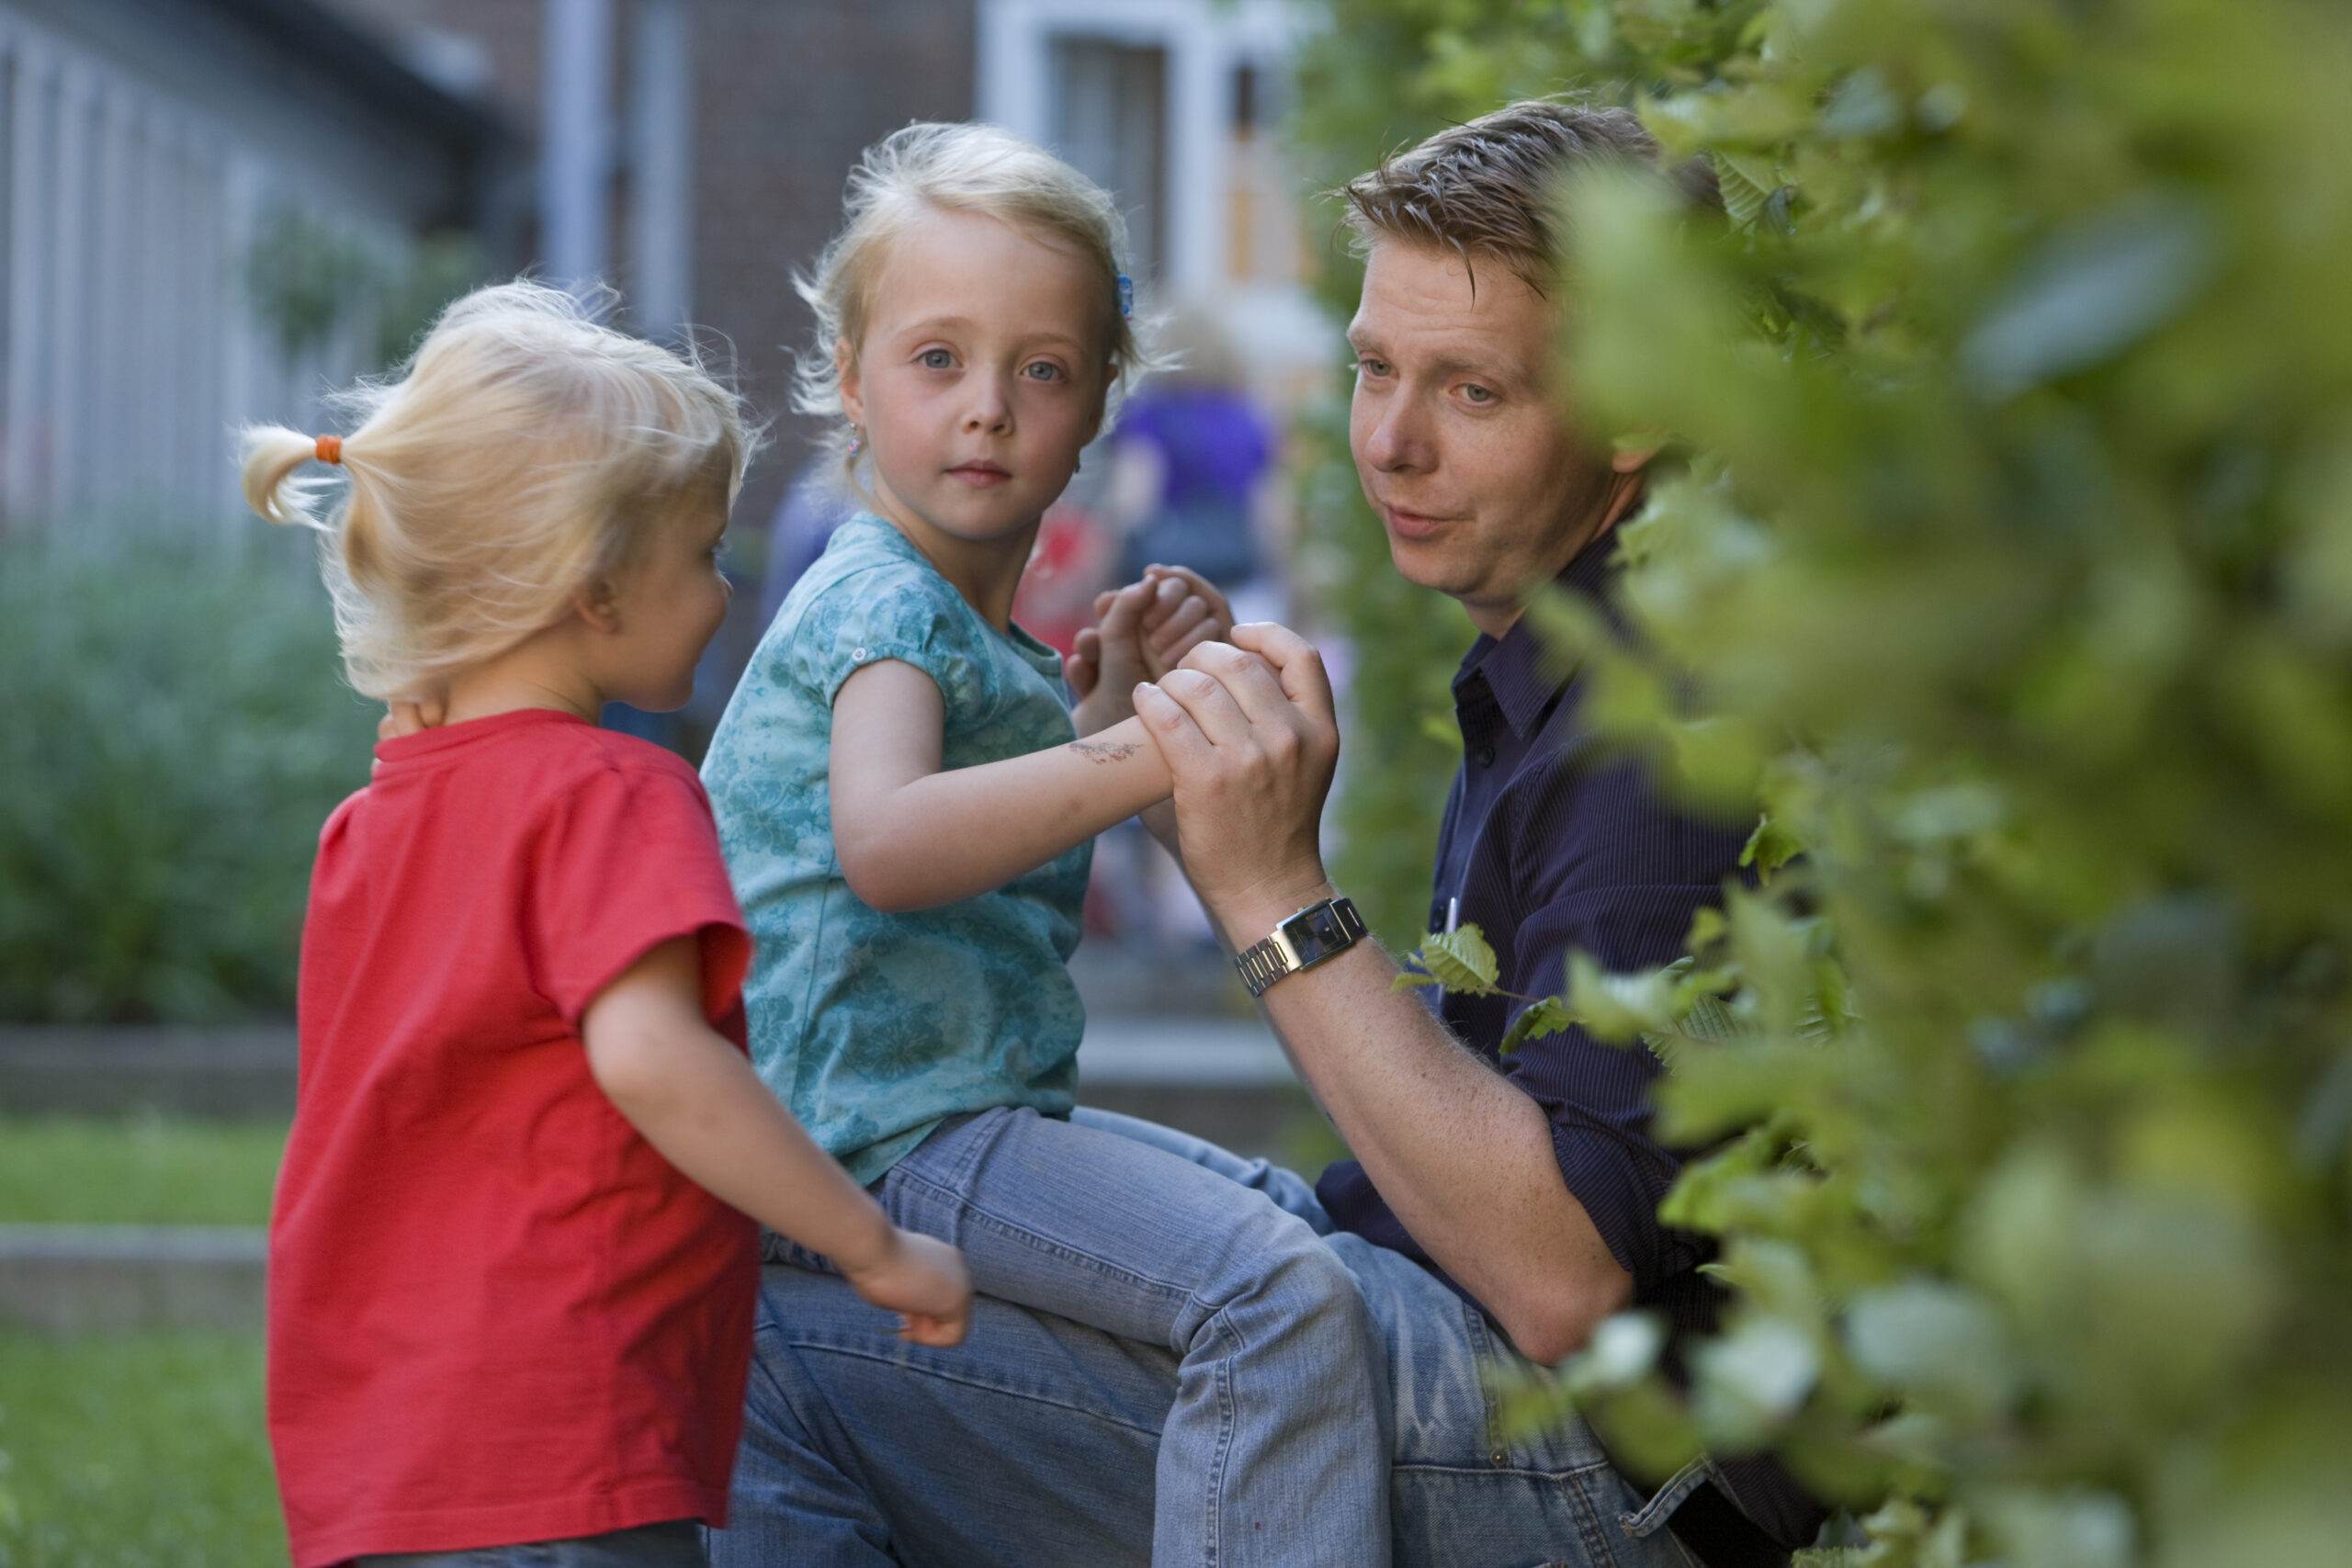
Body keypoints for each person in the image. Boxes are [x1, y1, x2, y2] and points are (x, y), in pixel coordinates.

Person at [712, 102, 1824, 1568]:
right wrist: (1185, 808)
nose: (1391, 444)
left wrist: (1270, 891)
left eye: (1472, 392)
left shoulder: (1662, 733)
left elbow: (1560, 1280)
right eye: (1372, 369)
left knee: (754, 1344)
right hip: (1496, 1385)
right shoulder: (1561, 656)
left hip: (1612, 1485)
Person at [695, 124, 1394, 1568]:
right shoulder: (877, 604)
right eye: (937, 359)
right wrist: (1151, 744)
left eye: (1044, 371)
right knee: (1273, 1292)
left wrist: (1104, 708)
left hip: (944, 1117)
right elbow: (887, 845)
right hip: (876, 1131)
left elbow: (999, 864)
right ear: (848, 375)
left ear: (1098, 414)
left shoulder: (973, 638)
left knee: (1289, 1215)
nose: (989, 411)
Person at [244, 281, 971, 1568]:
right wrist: (873, 1245)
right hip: (566, 1442)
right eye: (701, 554)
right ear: (591, 587)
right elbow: (652, 1058)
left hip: (375, 1454)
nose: (721, 590)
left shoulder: (370, 824)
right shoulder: (612, 792)